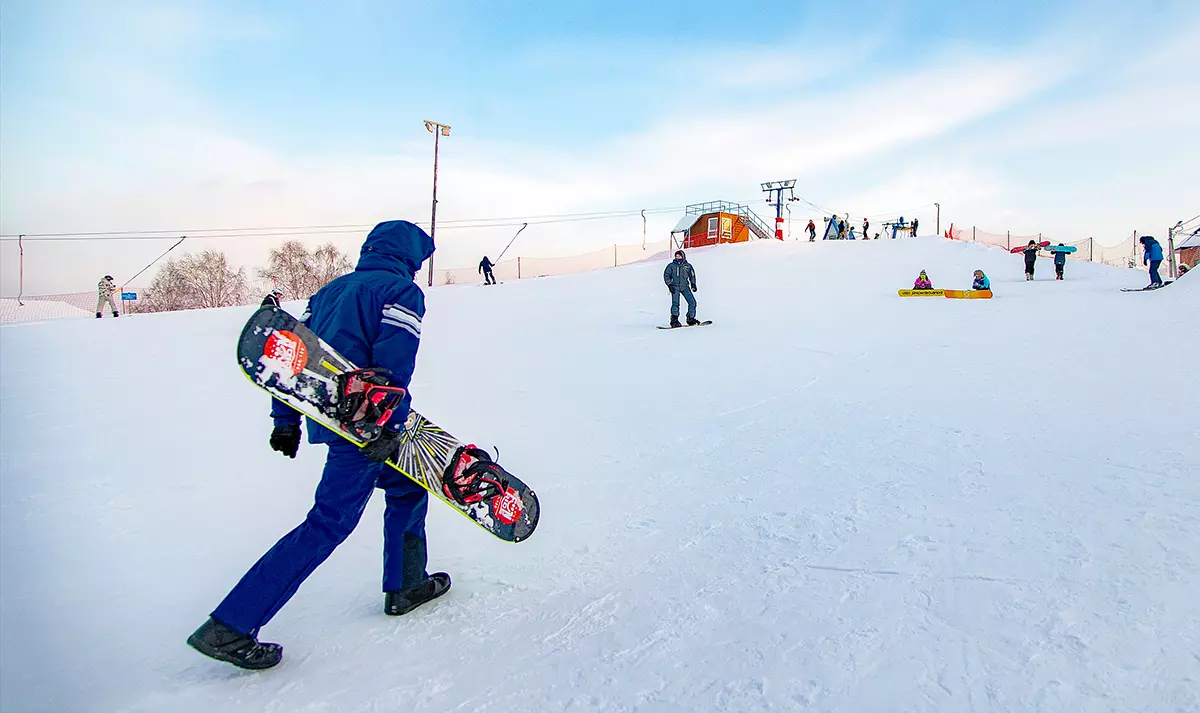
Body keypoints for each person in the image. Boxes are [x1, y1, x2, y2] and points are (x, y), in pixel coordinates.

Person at [187, 220, 446, 671]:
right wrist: (387, 426)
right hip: (367, 429)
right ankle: (230, 625)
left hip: (335, 423)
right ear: (409, 256)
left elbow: (292, 359)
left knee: (407, 487)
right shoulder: (400, 292)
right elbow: (394, 363)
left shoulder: (327, 294)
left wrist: (284, 421)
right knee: (327, 523)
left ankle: (407, 582)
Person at [663, 249, 699, 328]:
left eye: (679, 256)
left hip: (685, 287)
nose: (677, 257)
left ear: (683, 256)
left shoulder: (688, 266)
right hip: (675, 287)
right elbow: (666, 275)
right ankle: (674, 321)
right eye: (676, 256)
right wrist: (669, 285)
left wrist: (693, 284)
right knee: (675, 304)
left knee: (692, 302)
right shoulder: (671, 266)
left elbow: (692, 275)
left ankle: (691, 319)